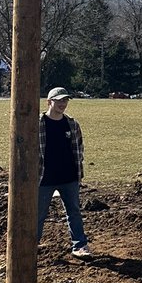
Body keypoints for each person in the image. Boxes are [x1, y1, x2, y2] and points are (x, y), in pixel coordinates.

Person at [38, 87, 92, 257]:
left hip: (69, 177)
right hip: (44, 178)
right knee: (38, 214)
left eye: (65, 100)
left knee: (74, 212)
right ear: (49, 102)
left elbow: (79, 148)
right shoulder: (38, 124)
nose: (62, 104)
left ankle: (80, 245)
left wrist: (78, 171)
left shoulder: (72, 124)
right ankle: (30, 246)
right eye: (58, 101)